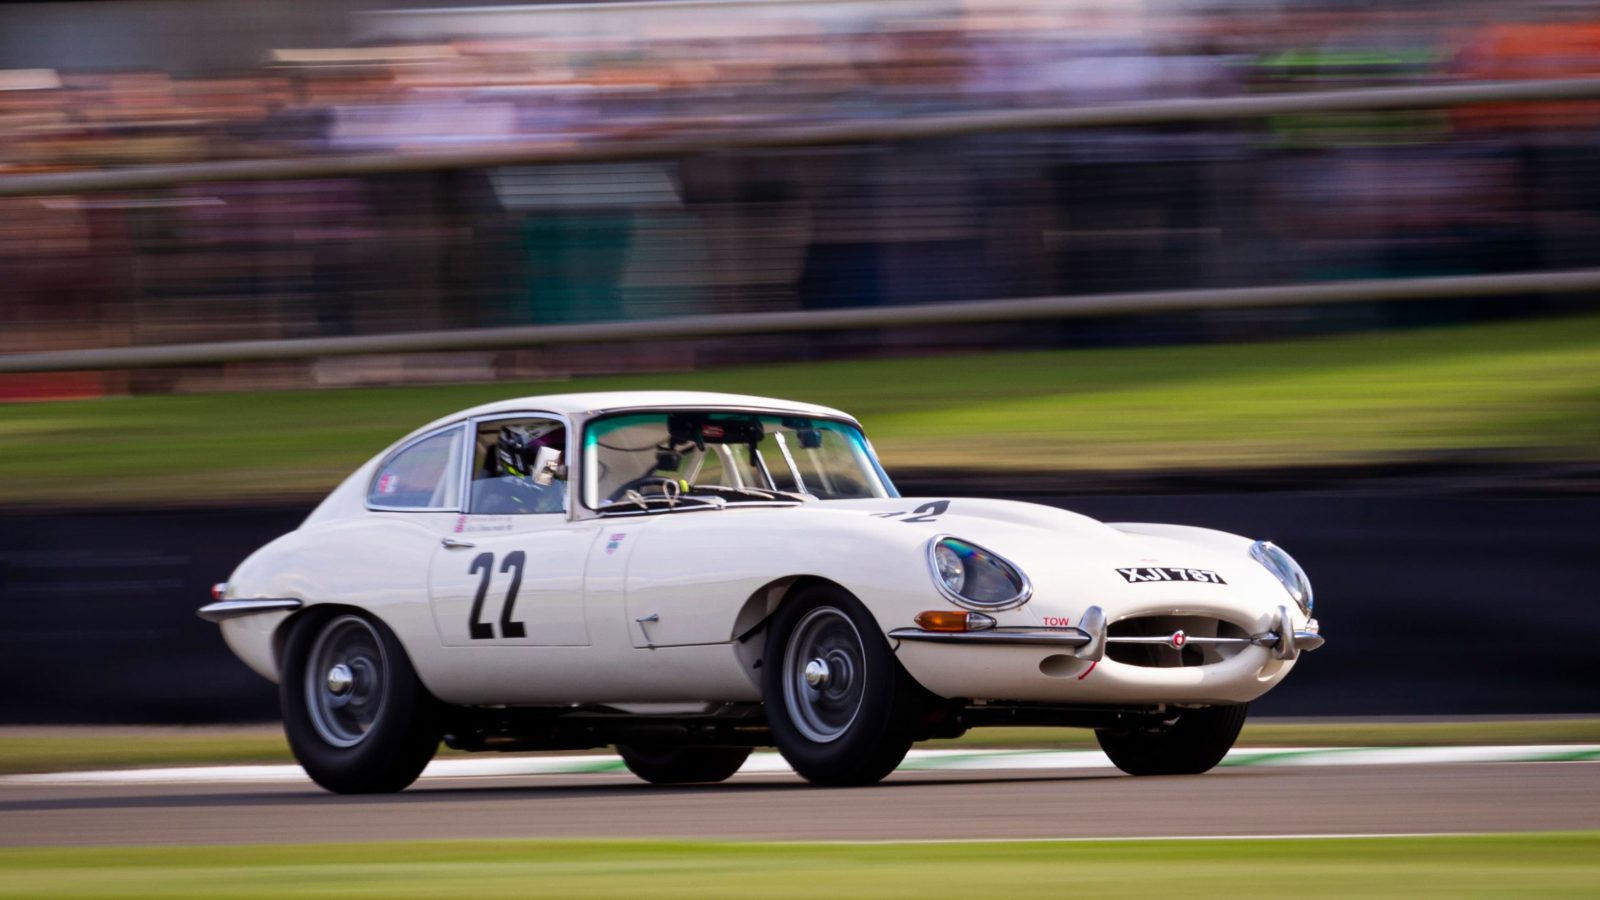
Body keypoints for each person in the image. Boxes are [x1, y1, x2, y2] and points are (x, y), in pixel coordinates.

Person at [473, 422, 566, 514]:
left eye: (565, 453)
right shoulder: (495, 507)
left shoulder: (557, 492)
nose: (561, 463)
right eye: (550, 455)